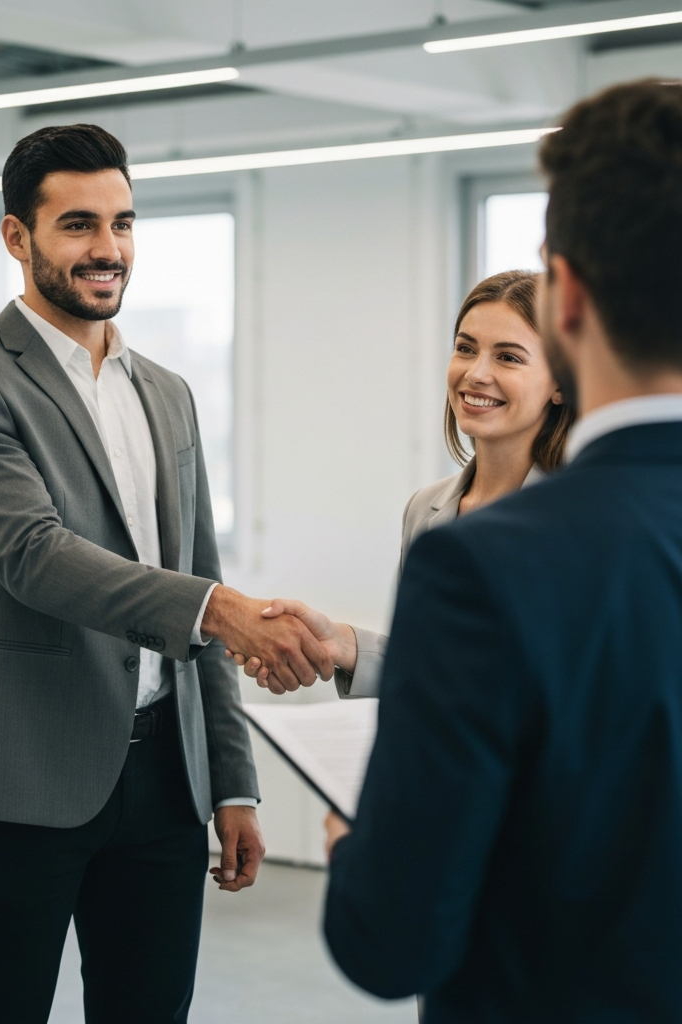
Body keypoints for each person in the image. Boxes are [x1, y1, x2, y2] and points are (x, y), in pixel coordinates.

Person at [0, 123, 333, 1024]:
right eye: (78, 225)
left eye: (124, 223)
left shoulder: (167, 392)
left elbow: (199, 573)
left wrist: (230, 781)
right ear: (17, 237)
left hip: (163, 783)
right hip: (20, 774)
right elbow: (35, 555)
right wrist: (220, 610)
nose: (108, 249)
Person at [319, 79, 682, 1021]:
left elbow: (393, 938)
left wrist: (362, 850)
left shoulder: (491, 567)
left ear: (565, 300)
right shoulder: (453, 528)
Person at [231, 269, 574, 697]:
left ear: (560, 383)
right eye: (465, 349)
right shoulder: (425, 508)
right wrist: (341, 642)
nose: (475, 374)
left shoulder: (583, 518)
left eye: (508, 357)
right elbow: (430, 661)